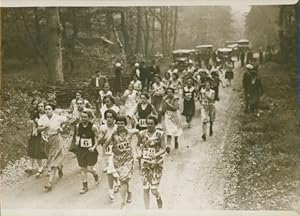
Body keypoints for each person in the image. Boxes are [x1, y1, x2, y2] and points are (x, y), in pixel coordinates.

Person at [103, 116, 140, 208]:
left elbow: (137, 132)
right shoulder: (114, 134)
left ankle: (122, 201)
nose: (120, 125)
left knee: (123, 179)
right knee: (124, 179)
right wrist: (111, 135)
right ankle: (129, 192)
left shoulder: (130, 132)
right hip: (117, 159)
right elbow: (105, 144)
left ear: (125, 124)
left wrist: (139, 144)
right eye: (118, 123)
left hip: (128, 159)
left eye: (122, 123)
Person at [37, 103, 69, 191]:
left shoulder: (57, 117)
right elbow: (38, 129)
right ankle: (60, 167)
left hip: (55, 139)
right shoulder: (42, 118)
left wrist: (61, 128)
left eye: (49, 109)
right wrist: (43, 128)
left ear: (53, 110)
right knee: (50, 158)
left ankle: (50, 182)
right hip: (46, 140)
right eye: (46, 109)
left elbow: (67, 120)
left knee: (53, 159)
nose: (47, 111)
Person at [139, 115, 165, 209]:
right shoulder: (141, 133)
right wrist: (139, 152)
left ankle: (158, 197)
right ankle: (147, 210)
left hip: (156, 163)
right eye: (148, 123)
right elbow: (138, 146)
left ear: (155, 124)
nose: (149, 125)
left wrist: (155, 155)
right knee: (145, 188)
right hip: (145, 163)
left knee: (153, 190)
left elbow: (163, 149)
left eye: (151, 124)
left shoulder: (160, 134)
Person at [94, 110, 120, 200]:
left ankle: (111, 191)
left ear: (114, 118)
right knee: (112, 170)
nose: (109, 119)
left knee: (110, 170)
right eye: (107, 117)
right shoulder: (102, 127)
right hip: (106, 151)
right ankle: (118, 182)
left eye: (111, 117)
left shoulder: (117, 127)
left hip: (116, 151)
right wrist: (103, 136)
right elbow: (99, 141)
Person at [74, 110, 99, 194]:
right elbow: (77, 135)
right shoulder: (78, 126)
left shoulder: (93, 127)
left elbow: (97, 138)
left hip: (90, 150)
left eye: (85, 117)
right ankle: (85, 186)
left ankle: (95, 174)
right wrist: (77, 141)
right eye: (82, 117)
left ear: (89, 118)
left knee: (90, 169)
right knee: (82, 168)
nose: (83, 119)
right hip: (81, 150)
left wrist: (93, 147)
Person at [26, 100, 47, 177]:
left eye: (42, 106)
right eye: (39, 106)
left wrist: (39, 128)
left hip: (43, 134)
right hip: (36, 134)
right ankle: (31, 167)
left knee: (40, 150)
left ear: (44, 107)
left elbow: (46, 126)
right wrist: (34, 130)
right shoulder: (36, 114)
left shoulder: (46, 115)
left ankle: (43, 166)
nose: (40, 108)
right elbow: (34, 124)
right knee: (32, 149)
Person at [161, 87, 183, 153]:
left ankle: (176, 141)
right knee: (168, 131)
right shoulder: (164, 99)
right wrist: (163, 103)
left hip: (175, 115)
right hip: (167, 115)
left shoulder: (175, 99)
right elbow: (163, 108)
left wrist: (168, 104)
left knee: (176, 130)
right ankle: (168, 145)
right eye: (168, 92)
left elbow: (175, 108)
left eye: (170, 92)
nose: (169, 93)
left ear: (173, 93)